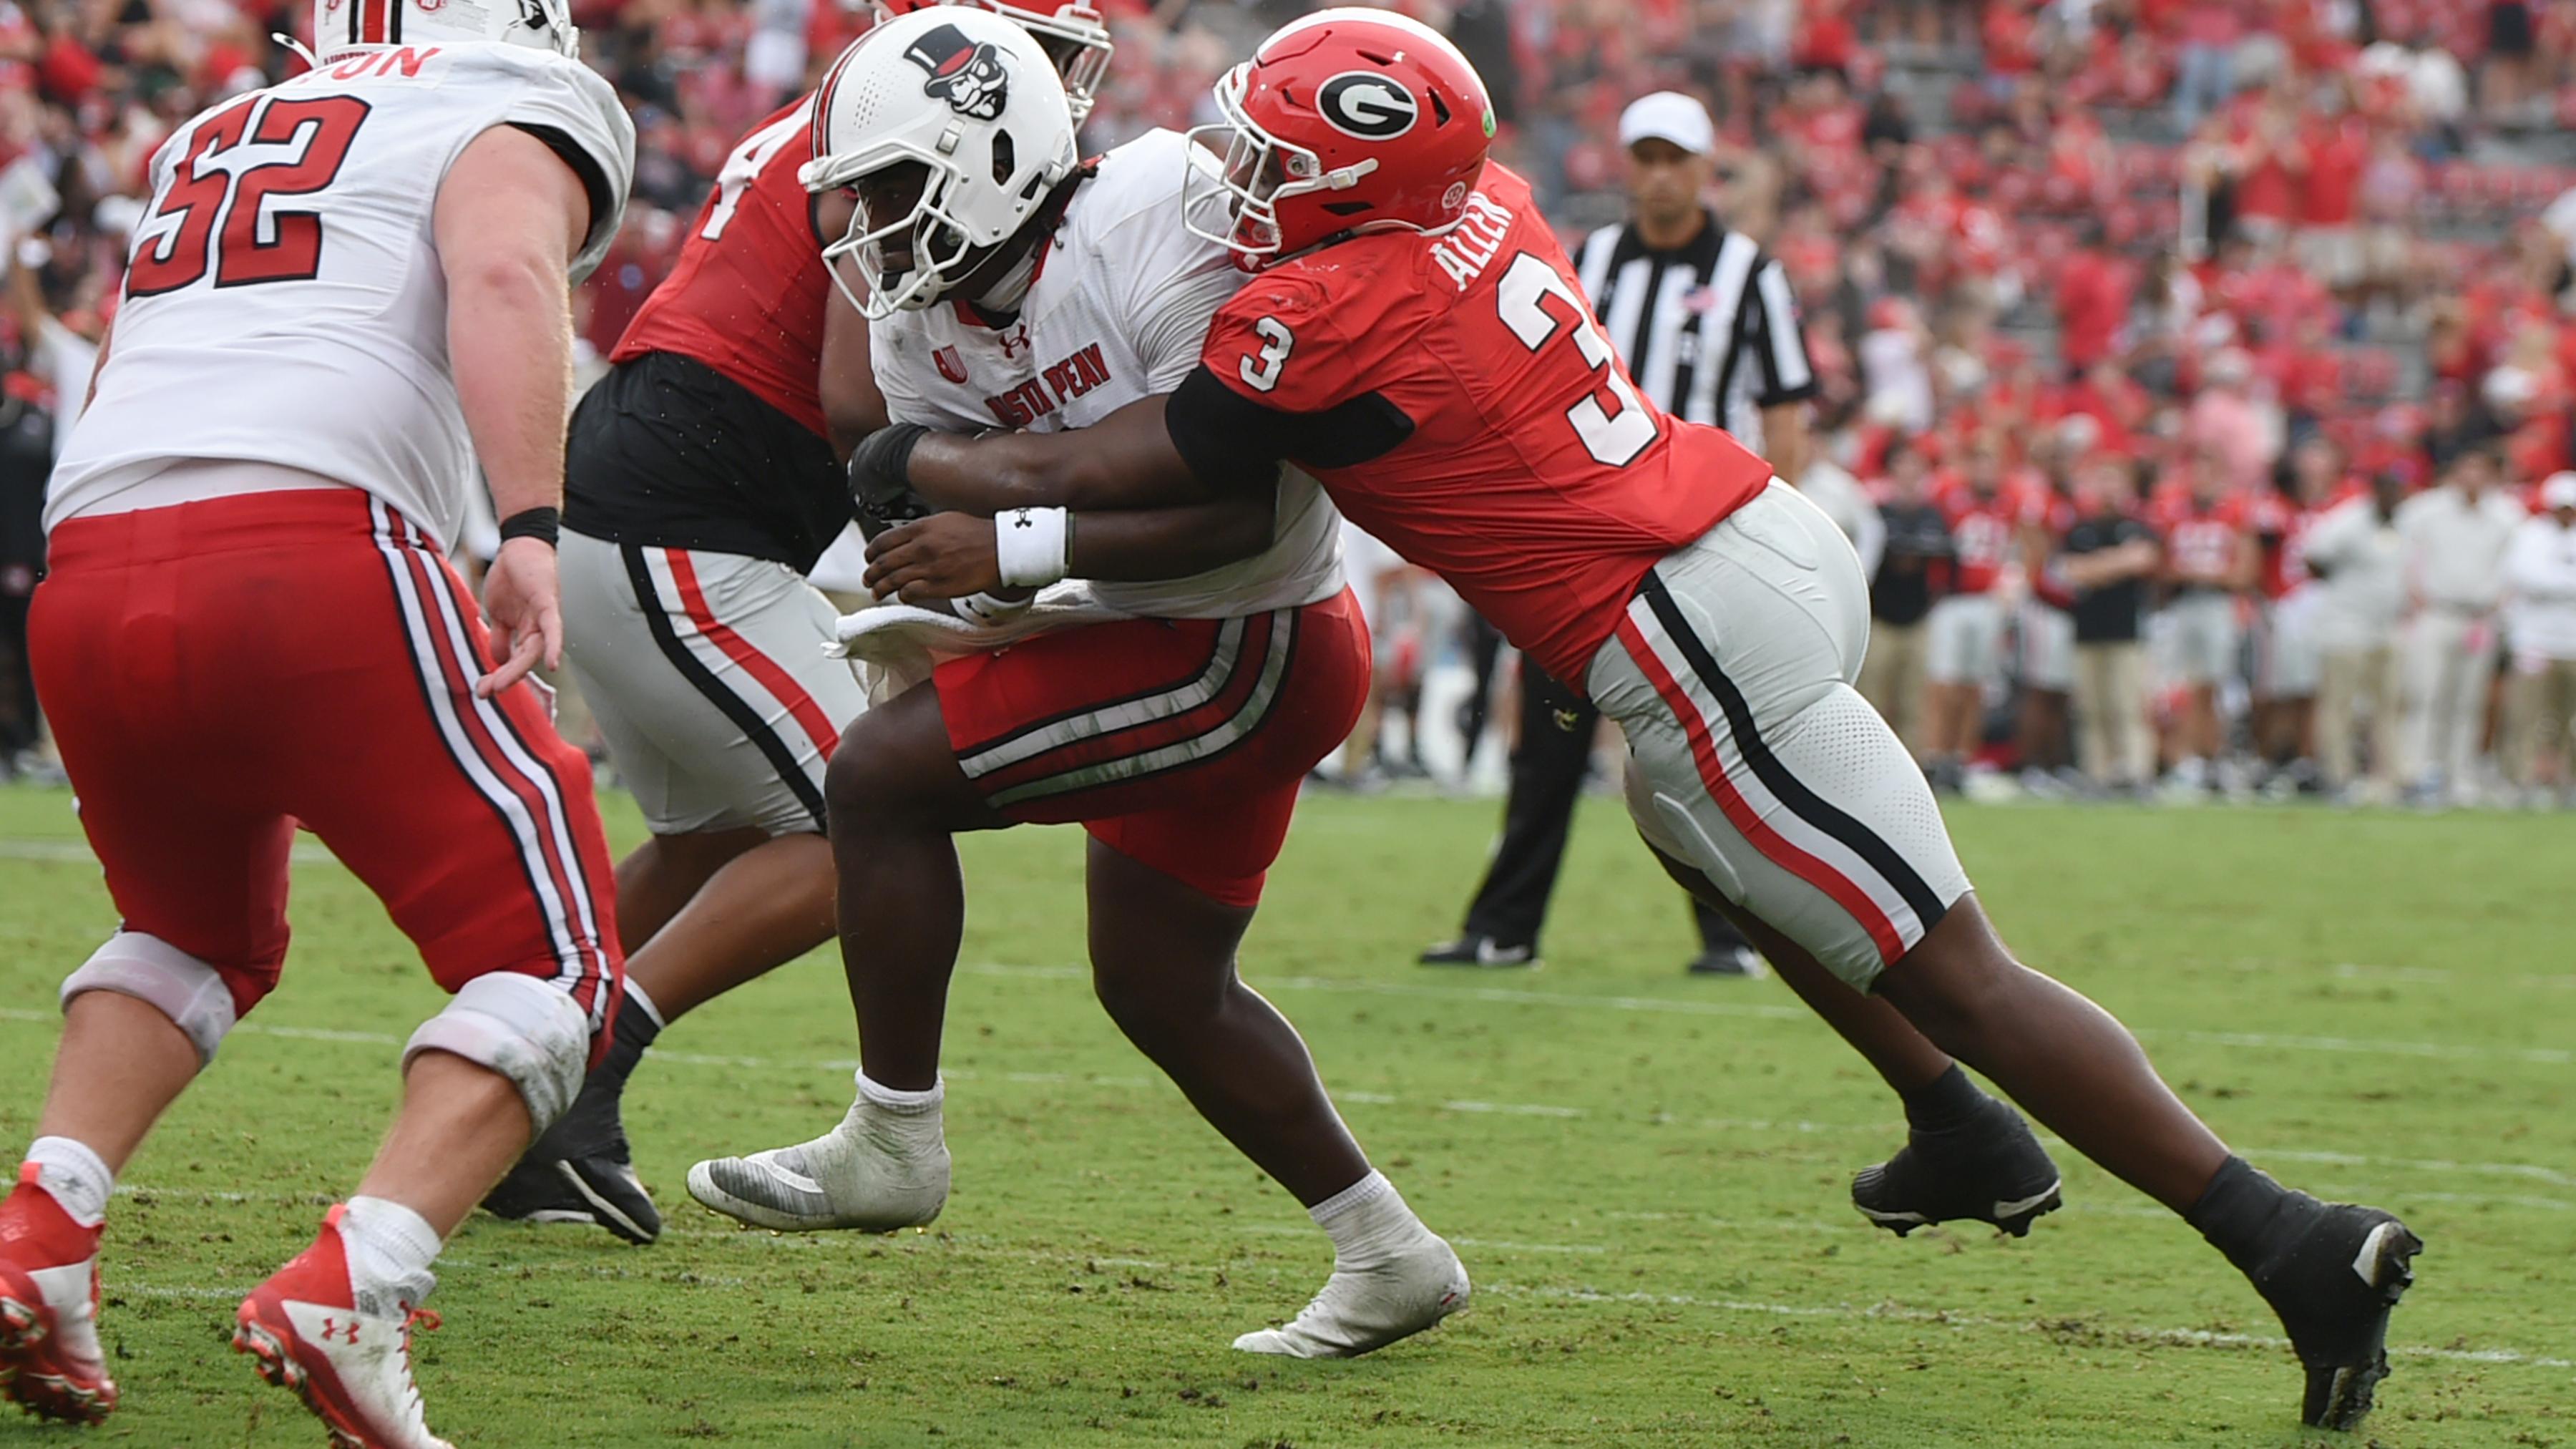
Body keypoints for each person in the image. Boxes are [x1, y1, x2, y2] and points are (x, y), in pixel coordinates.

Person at [847, 11, 2421, 1428]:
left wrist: (934, 468)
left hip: (1682, 619)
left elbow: (1121, 467)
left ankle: (2289, 1239)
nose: (1238, 183)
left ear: (1358, 188)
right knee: (1712, 854)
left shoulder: (1327, 307)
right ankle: (1956, 1127)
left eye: (1274, 160)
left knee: (1961, 968)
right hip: (1743, 543)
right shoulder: (1488, 206)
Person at [687, 10, 1467, 1361]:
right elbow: (921, 481)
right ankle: (1389, 1253)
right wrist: (972, 599)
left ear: (989, 155)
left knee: (875, 783)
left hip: (1246, 637)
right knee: (1166, 989)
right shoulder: (922, 327)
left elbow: (1236, 506)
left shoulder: (1165, 212)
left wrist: (1003, 545)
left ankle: (892, 1142)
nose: (864, 222)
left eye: (886, 185)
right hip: (1170, 635)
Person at [0, 3, 635, 1441]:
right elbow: (501, 265)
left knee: (193, 929)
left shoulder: (212, 131)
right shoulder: (501, 93)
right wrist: (530, 524)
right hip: (306, 546)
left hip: (91, 561)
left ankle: (41, 1230)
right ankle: (363, 1276)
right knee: (556, 955)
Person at [482, 0, 1118, 1246]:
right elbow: (848, 394)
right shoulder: (895, 137)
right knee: (860, 823)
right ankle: (568, 1074)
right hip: (686, 521)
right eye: (1035, 50)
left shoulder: (842, 115)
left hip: (653, 496)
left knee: (723, 842)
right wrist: (969, 515)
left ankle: (504, 1053)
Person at [1422, 89, 1819, 978]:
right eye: (1646, 157)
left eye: (1676, 158)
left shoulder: (1752, 273)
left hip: (1703, 537)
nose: (1661, 175)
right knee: (1548, 747)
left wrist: (1766, 523)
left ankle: (1735, 936)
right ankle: (1505, 928)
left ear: (1705, 169)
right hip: (1586, 536)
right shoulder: (1593, 257)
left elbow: (1786, 413)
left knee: (1698, 753)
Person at [2394, 446, 2524, 805]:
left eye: (2481, 470)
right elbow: (2403, 550)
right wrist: (2412, 591)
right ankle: (2418, 769)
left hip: (2479, 618)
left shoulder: (2506, 515)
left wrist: (2501, 600)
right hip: (2437, 612)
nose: (2474, 478)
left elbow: (2514, 564)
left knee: (2469, 701)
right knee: (2426, 693)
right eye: (2467, 468)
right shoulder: (2426, 510)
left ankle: (2461, 773)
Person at [2148, 447, 2255, 793]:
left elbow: (2244, 572)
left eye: (2209, 471)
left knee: (2212, 687)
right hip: (2181, 605)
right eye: (2196, 471)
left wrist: (2205, 574)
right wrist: (2191, 572)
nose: (2202, 479)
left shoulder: (2236, 511)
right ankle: (2181, 760)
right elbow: (2159, 566)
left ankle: (2210, 758)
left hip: (2217, 606)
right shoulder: (2172, 510)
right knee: (2176, 688)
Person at [2303, 472, 2410, 801]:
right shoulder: (2347, 521)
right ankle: (2338, 775)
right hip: (2346, 627)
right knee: (2340, 705)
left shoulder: (2406, 522)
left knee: (2388, 706)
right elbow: (2313, 557)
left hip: (2388, 627)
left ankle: (2388, 778)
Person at [1921, 436, 2018, 791]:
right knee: (1943, 681)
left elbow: (2023, 546)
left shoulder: (2010, 502)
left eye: (1991, 464)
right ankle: (1934, 754)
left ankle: (1961, 758)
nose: (1984, 472)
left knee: (1974, 684)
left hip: (1987, 599)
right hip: (1952, 599)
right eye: (1978, 463)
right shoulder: (1950, 496)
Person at [2061, 454, 2162, 791]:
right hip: (2087, 630)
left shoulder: (2137, 526)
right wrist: (2117, 563)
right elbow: (2072, 572)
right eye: (2102, 480)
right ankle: (2097, 773)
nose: (2108, 489)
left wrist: (2097, 568)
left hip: (2126, 630)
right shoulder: (2081, 529)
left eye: (2114, 480)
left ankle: (2136, 771)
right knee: (2092, 708)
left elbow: (2146, 560)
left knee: (2129, 706)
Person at [1859, 435, 1946, 754]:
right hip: (1881, 617)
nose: (1909, 470)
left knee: (1915, 704)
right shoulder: (1876, 513)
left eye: (1915, 464)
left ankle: (1915, 772)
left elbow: (1947, 562)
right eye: (1903, 463)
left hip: (1918, 617)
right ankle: (1868, 765)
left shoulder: (1932, 515)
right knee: (1873, 701)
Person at [2502, 472, 2576, 798]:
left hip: (2572, 644)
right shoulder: (2531, 534)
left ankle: (2565, 781)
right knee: (2527, 715)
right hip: (2535, 642)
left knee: (2568, 720)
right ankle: (2522, 780)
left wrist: (2553, 582)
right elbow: (2528, 577)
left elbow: (2544, 581)